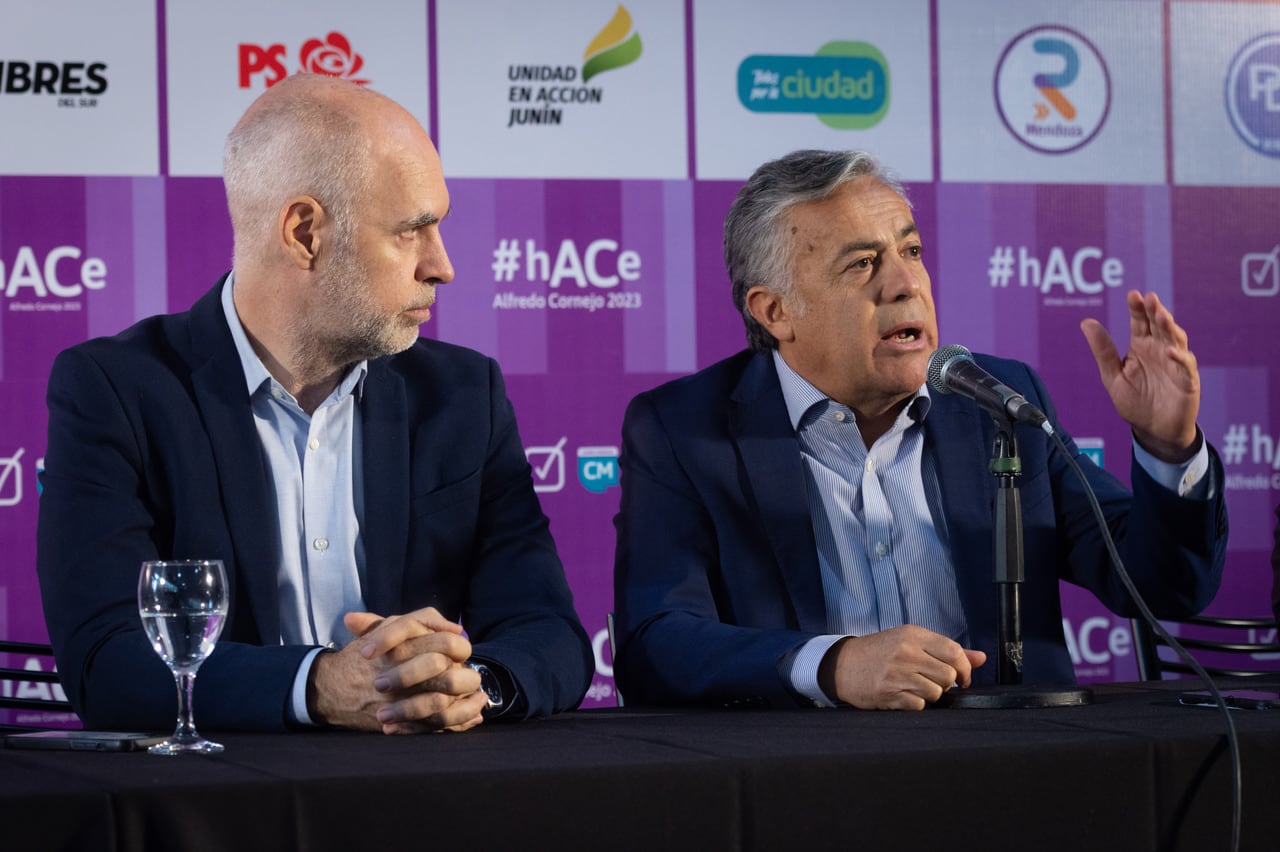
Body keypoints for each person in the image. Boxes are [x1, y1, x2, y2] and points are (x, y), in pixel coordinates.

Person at [37, 74, 593, 734]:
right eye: (412, 231)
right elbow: (107, 665)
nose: (442, 265)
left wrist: (476, 685)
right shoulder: (115, 392)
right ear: (304, 233)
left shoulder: (464, 397)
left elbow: (548, 632)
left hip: (428, 801)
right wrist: (319, 686)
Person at [612, 149, 1228, 710]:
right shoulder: (683, 430)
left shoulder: (1001, 402)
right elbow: (656, 641)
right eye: (861, 264)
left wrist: (1167, 448)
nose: (906, 284)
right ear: (775, 312)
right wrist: (833, 666)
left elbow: (1163, 587)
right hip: (802, 779)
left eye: (910, 251)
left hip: (1019, 772)